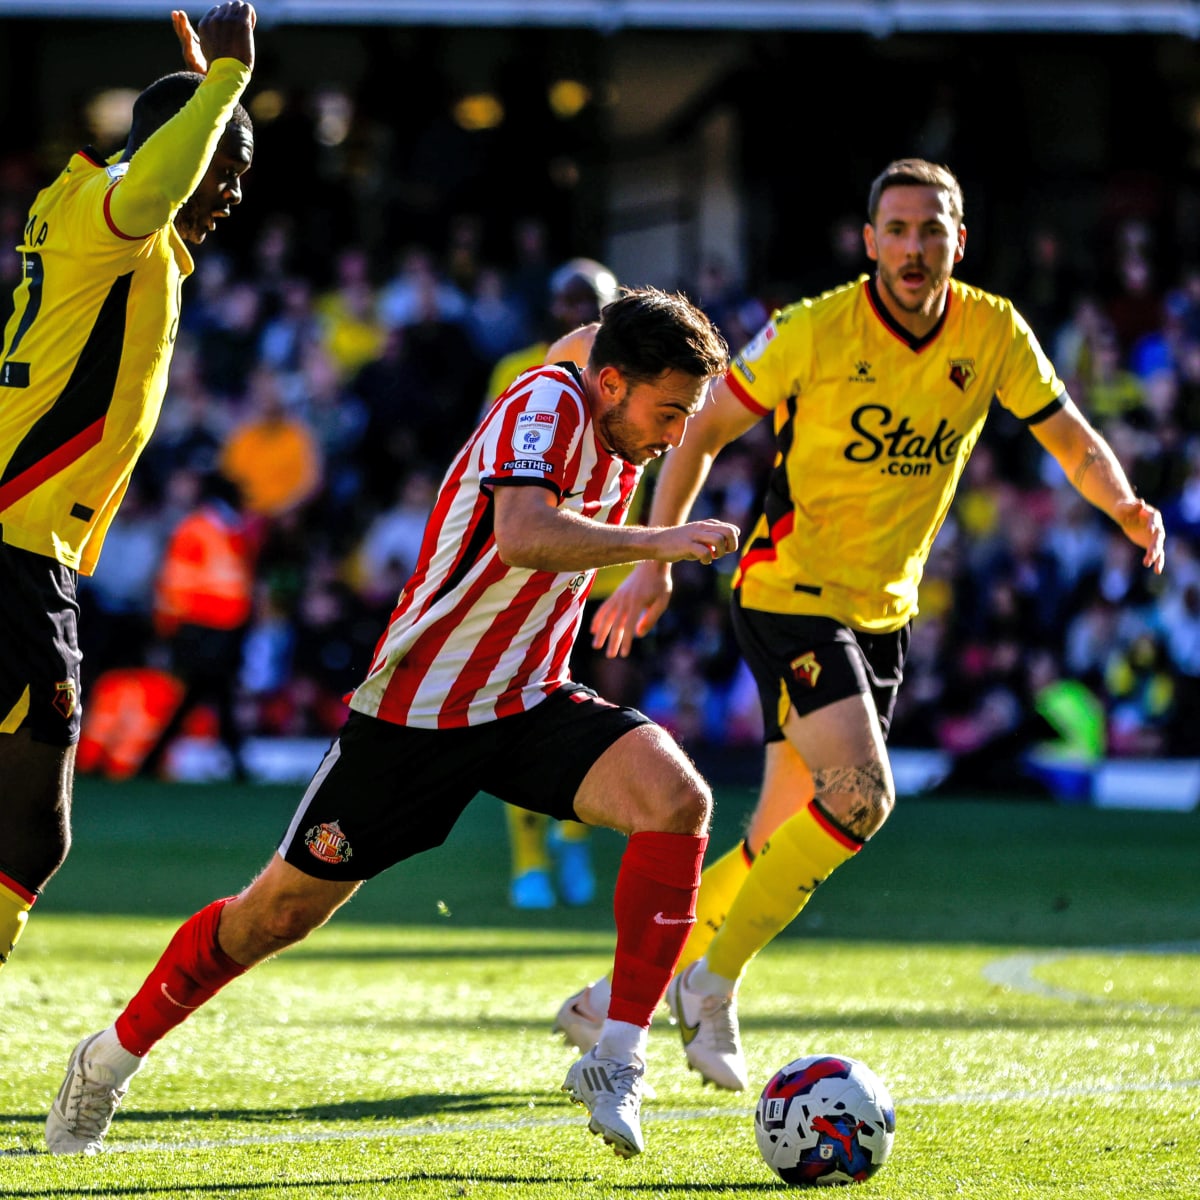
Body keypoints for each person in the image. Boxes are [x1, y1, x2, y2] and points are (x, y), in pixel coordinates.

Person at [45, 287, 737, 1160]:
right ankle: (105, 1062)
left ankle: (616, 1057)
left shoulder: (611, 393)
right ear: (609, 384)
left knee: (678, 801)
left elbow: (591, 335)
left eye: (687, 416)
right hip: (419, 712)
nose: (675, 435)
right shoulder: (545, 406)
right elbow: (523, 535)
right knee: (273, 917)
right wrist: (656, 545)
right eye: (669, 412)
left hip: (524, 695)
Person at [554, 159, 1167, 1092]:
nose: (915, 247)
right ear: (869, 239)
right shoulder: (813, 329)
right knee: (861, 796)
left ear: (959, 240)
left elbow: (1069, 432)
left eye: (933, 229)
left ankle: (615, 994)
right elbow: (706, 425)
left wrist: (1125, 506)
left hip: (882, 613)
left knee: (776, 832)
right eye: (898, 228)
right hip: (787, 591)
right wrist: (653, 557)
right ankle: (710, 984)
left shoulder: (992, 330)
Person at [0, 4, 255, 974]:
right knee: (30, 832)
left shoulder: (95, 217)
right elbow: (154, 179)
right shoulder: (119, 211)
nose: (228, 193)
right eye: (222, 169)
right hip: (17, 548)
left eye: (239, 177)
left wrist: (204, 107)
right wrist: (226, 81)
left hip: (25, 540)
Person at [486, 258, 622, 911]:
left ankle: (573, 833)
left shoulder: (630, 377)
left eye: (591, 304)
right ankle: (529, 860)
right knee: (518, 715)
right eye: (569, 302)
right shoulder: (515, 370)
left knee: (595, 719)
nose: (579, 315)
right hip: (536, 571)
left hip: (605, 579)